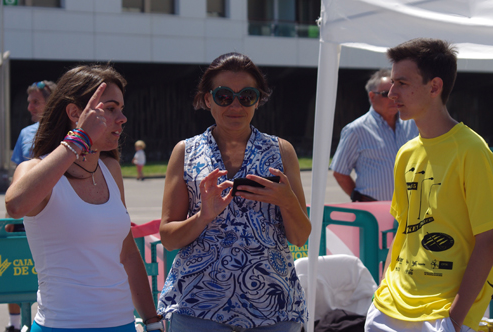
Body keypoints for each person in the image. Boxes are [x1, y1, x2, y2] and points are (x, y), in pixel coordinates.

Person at [157, 52, 310, 332]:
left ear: (257, 100)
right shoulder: (186, 152)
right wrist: (203, 216)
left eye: (247, 96)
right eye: (224, 96)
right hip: (199, 306)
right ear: (207, 99)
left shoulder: (281, 151)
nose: (236, 105)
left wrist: (287, 202)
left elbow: (299, 237)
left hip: (271, 306)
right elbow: (168, 237)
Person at [4, 65, 162, 332]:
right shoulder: (32, 169)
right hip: (61, 326)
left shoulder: (110, 169)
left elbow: (128, 254)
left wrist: (152, 320)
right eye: (110, 108)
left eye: (121, 108)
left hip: (121, 324)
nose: (122, 118)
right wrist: (78, 140)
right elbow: (16, 205)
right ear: (75, 113)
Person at [366, 38, 493, 332]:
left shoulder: (473, 150)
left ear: (434, 87)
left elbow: (488, 240)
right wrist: (383, 290)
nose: (392, 92)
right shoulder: (406, 153)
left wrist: (455, 319)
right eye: (392, 82)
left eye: (402, 82)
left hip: (443, 314)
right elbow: (403, 229)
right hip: (389, 307)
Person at [5, 80, 55, 332]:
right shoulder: (26, 133)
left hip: (57, 215)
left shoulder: (67, 133)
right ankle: (14, 325)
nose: (30, 106)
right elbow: (18, 180)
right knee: (16, 268)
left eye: (35, 101)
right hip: (27, 216)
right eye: (29, 101)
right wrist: (10, 219)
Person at [330, 69, 419, 202]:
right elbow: (339, 172)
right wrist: (359, 198)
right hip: (375, 212)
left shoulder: (412, 124)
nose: (393, 97)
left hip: (410, 209)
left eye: (396, 92)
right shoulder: (356, 129)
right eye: (386, 94)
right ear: (372, 97)